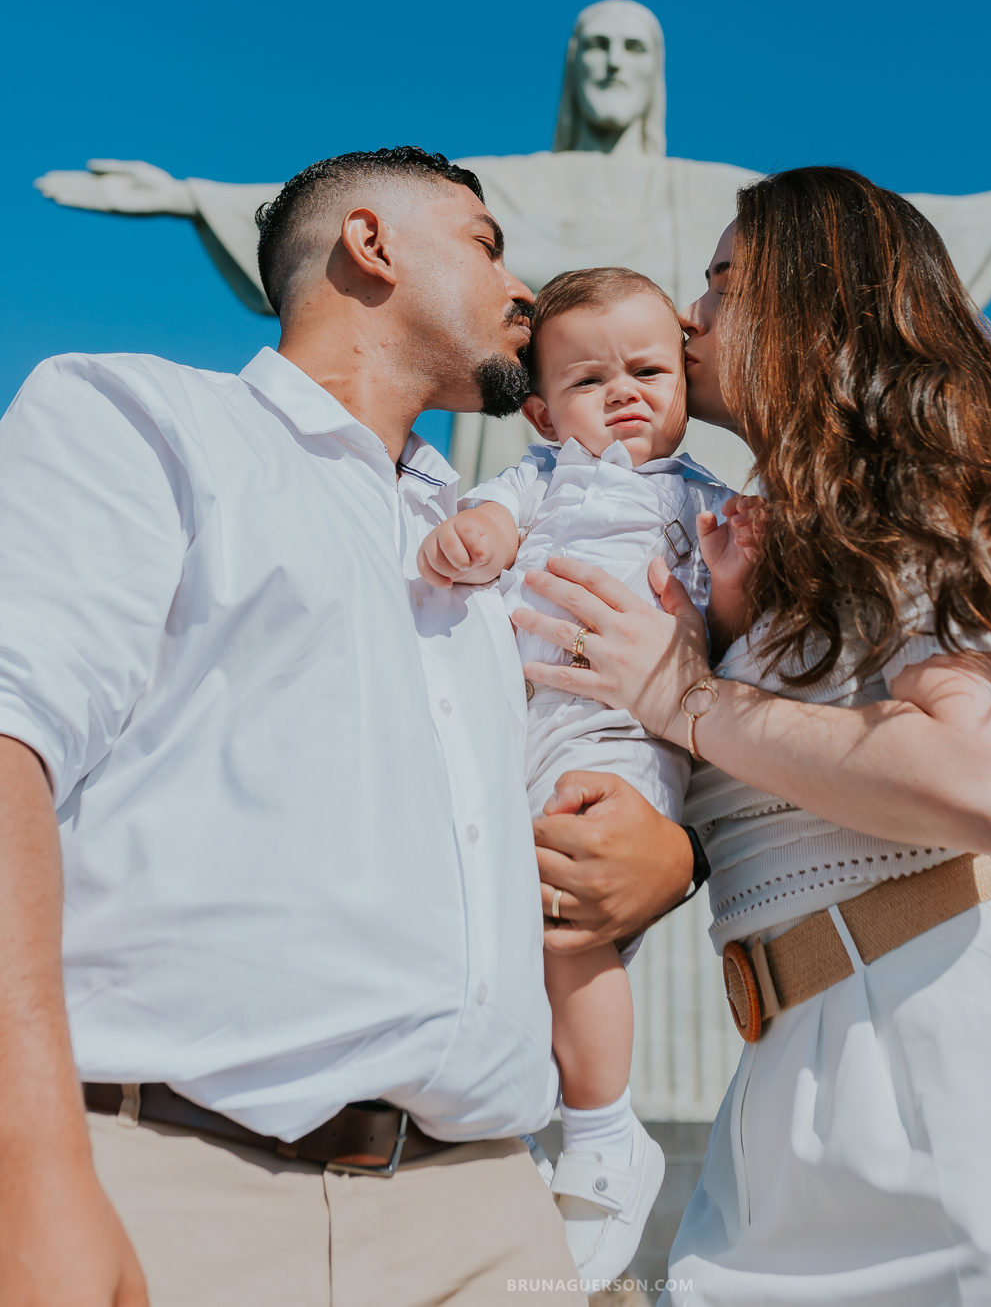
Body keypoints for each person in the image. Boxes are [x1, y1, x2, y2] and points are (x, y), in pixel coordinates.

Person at [0, 145, 694, 1307]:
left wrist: (675, 856)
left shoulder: (500, 536)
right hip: (173, 1185)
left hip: (489, 1213)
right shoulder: (141, 422)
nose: (524, 290)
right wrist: (31, 1168)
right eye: (486, 244)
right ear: (371, 247)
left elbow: (598, 745)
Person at [510, 166, 991, 1305]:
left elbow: (985, 779)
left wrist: (684, 698)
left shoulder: (932, 490)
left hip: (971, 1040)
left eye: (721, 283)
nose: (690, 317)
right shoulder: (730, 547)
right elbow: (772, 784)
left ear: (810, 306)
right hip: (795, 1068)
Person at [418, 266, 742, 1286]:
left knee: (570, 919)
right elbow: (491, 525)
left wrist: (730, 593)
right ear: (546, 409)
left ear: (686, 387)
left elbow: (735, 614)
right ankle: (520, 1112)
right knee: (493, 916)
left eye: (649, 368)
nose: (626, 392)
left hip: (619, 730)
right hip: (515, 723)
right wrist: (477, 538)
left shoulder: (699, 499)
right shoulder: (535, 476)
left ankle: (604, 1131)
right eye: (590, 378)